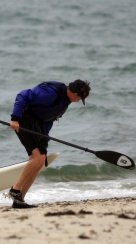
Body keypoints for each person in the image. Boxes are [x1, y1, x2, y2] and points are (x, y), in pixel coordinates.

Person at [8, 80, 91, 208]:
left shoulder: (66, 100)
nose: (79, 100)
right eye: (80, 97)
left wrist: (44, 137)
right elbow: (23, 95)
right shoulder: (51, 93)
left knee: (40, 160)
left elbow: (48, 119)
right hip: (25, 119)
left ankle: (19, 200)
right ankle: (15, 189)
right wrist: (15, 118)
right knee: (38, 157)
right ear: (74, 93)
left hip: (38, 125)